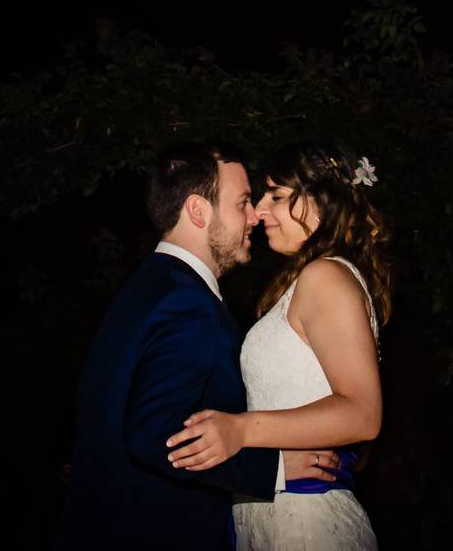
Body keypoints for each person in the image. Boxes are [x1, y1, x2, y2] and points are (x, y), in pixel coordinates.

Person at [55, 142, 337, 551]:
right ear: (198, 211)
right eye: (242, 202)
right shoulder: (185, 302)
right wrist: (274, 467)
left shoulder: (149, 288)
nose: (255, 214)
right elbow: (154, 433)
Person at [165, 140, 392, 550]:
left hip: (306, 523)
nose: (260, 211)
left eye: (277, 195)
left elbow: (363, 413)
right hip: (270, 516)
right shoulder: (306, 280)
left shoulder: (326, 276)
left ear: (323, 201)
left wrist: (239, 430)